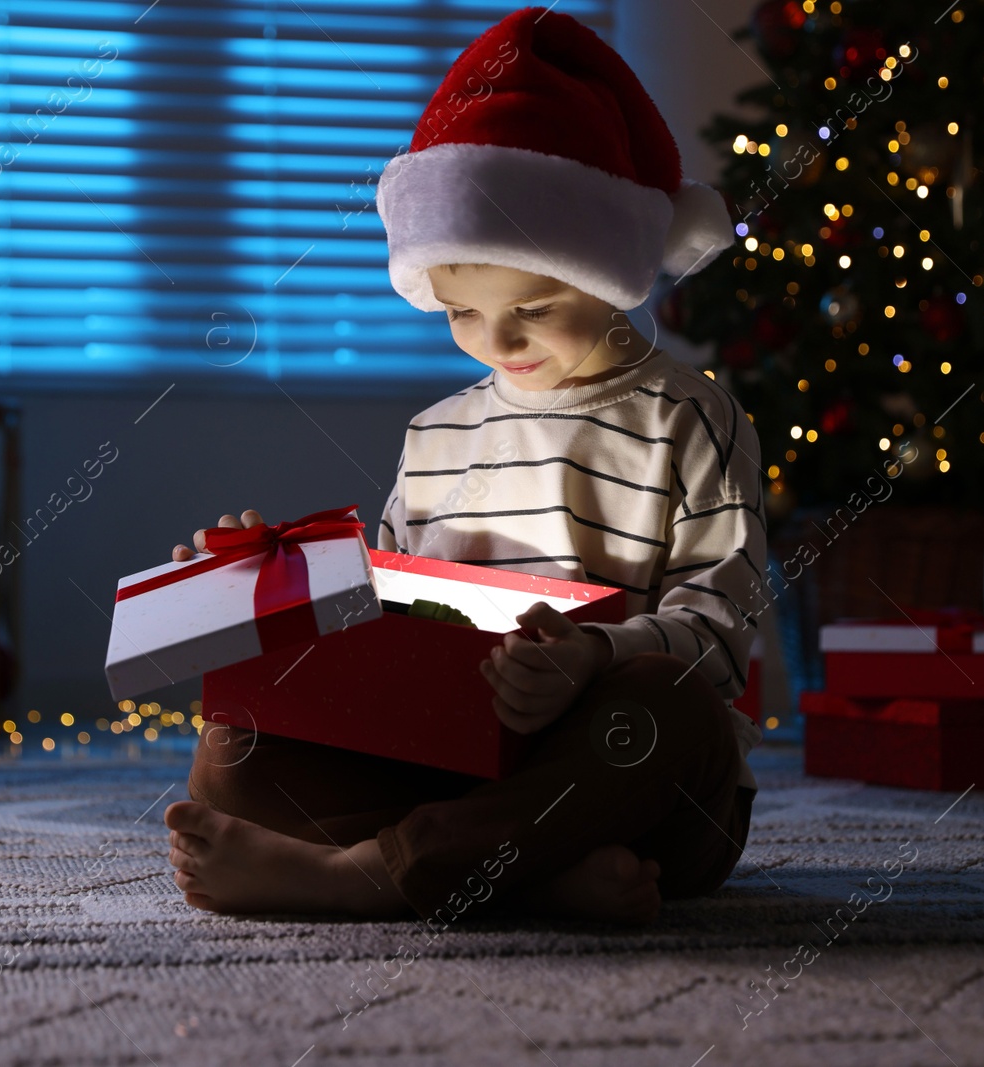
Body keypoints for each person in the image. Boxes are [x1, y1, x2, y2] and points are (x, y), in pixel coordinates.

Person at [163, 5, 764, 925]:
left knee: (669, 708)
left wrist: (592, 658)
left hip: (624, 772)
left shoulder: (692, 418)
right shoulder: (437, 431)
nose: (498, 339)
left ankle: (372, 874)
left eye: (537, 301)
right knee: (231, 753)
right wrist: (267, 584)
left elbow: (720, 633)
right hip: (458, 764)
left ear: (613, 267)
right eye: (461, 312)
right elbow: (388, 618)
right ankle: (531, 875)